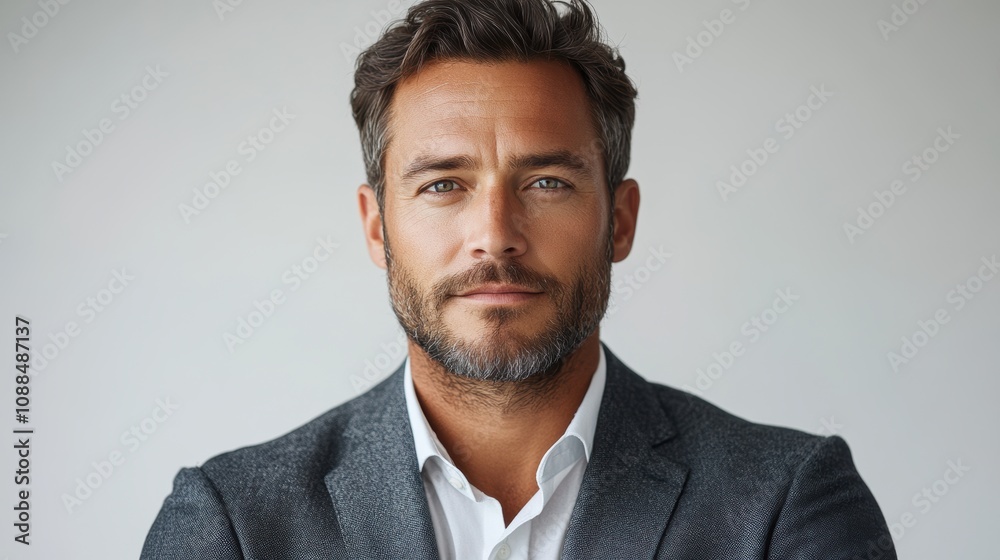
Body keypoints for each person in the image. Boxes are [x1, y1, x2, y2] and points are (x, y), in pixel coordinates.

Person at [141, 0, 896, 558]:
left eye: (546, 183)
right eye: (443, 185)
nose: (495, 235)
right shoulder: (233, 522)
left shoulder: (786, 504)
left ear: (621, 220)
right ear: (377, 227)